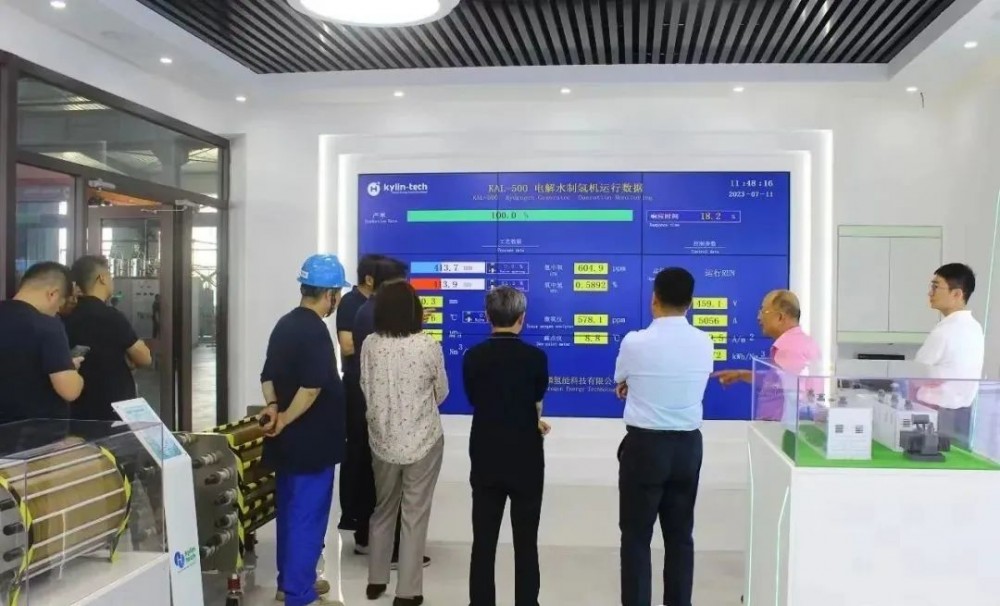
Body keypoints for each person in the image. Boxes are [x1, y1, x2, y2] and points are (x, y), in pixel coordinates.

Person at [613, 267, 714, 606]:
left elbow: (621, 377)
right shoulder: (704, 341)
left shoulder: (635, 342)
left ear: (654, 299)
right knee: (681, 537)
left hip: (644, 447)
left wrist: (631, 386)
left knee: (636, 538)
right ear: (691, 302)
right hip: (687, 448)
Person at [259, 254, 349, 606]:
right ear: (330, 295)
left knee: (290, 514)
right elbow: (311, 388)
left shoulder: (284, 324)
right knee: (307, 518)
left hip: (288, 445)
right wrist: (284, 418)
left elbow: (267, 376)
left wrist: (272, 408)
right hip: (312, 445)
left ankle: (291, 582)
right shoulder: (315, 331)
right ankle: (299, 594)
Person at [360, 281, 447, 606]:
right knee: (414, 514)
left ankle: (376, 580)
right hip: (423, 441)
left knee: (383, 509)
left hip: (382, 441)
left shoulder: (370, 344)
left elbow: (364, 385)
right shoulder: (427, 345)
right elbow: (442, 392)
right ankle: (407, 592)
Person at [462, 286, 550, 606]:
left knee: (483, 541)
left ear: (488, 316)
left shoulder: (473, 357)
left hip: (486, 452)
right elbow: (535, 398)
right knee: (526, 541)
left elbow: (475, 398)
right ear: (521, 318)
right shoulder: (536, 358)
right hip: (526, 455)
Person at [352, 257, 431, 569]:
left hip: (375, 415)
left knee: (375, 485)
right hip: (394, 421)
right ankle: (396, 551)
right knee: (396, 493)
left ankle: (373, 543)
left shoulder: (366, 313)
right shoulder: (379, 319)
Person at [63, 255, 153, 420]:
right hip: (113, 408)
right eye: (110, 275)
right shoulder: (111, 317)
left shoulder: (65, 316)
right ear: (102, 278)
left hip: (76, 408)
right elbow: (144, 358)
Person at [713, 289, 820, 422]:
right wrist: (741, 374)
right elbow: (777, 384)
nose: (759, 317)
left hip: (779, 428)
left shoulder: (789, 349)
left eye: (763, 311)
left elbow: (795, 395)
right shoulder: (803, 342)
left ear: (780, 317)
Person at [335, 253, 383, 539]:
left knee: (370, 450)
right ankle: (351, 514)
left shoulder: (374, 305)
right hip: (355, 385)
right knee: (356, 449)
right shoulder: (351, 303)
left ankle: (368, 511)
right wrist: (381, 336)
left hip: (373, 384)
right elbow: (347, 345)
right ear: (369, 279)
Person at [0, 262, 84, 424]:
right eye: (59, 305)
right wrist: (72, 371)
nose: (57, 311)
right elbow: (69, 391)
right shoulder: (47, 325)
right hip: (34, 430)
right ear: (52, 294)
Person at [913, 263, 984, 441]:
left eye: (936, 287)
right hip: (965, 414)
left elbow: (916, 374)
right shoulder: (975, 327)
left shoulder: (945, 331)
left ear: (957, 294)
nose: (930, 293)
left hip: (937, 413)